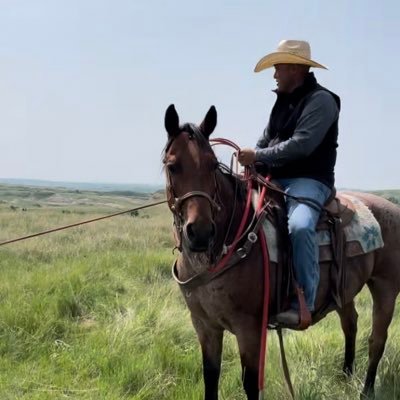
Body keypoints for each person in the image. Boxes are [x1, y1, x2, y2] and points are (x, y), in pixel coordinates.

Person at [238, 40, 340, 326]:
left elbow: (301, 145)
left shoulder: (322, 100)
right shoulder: (282, 101)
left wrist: (257, 155)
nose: (274, 75)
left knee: (300, 226)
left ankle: (304, 302)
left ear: (295, 68)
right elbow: (266, 139)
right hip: (276, 177)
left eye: (278, 67)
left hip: (308, 180)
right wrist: (252, 160)